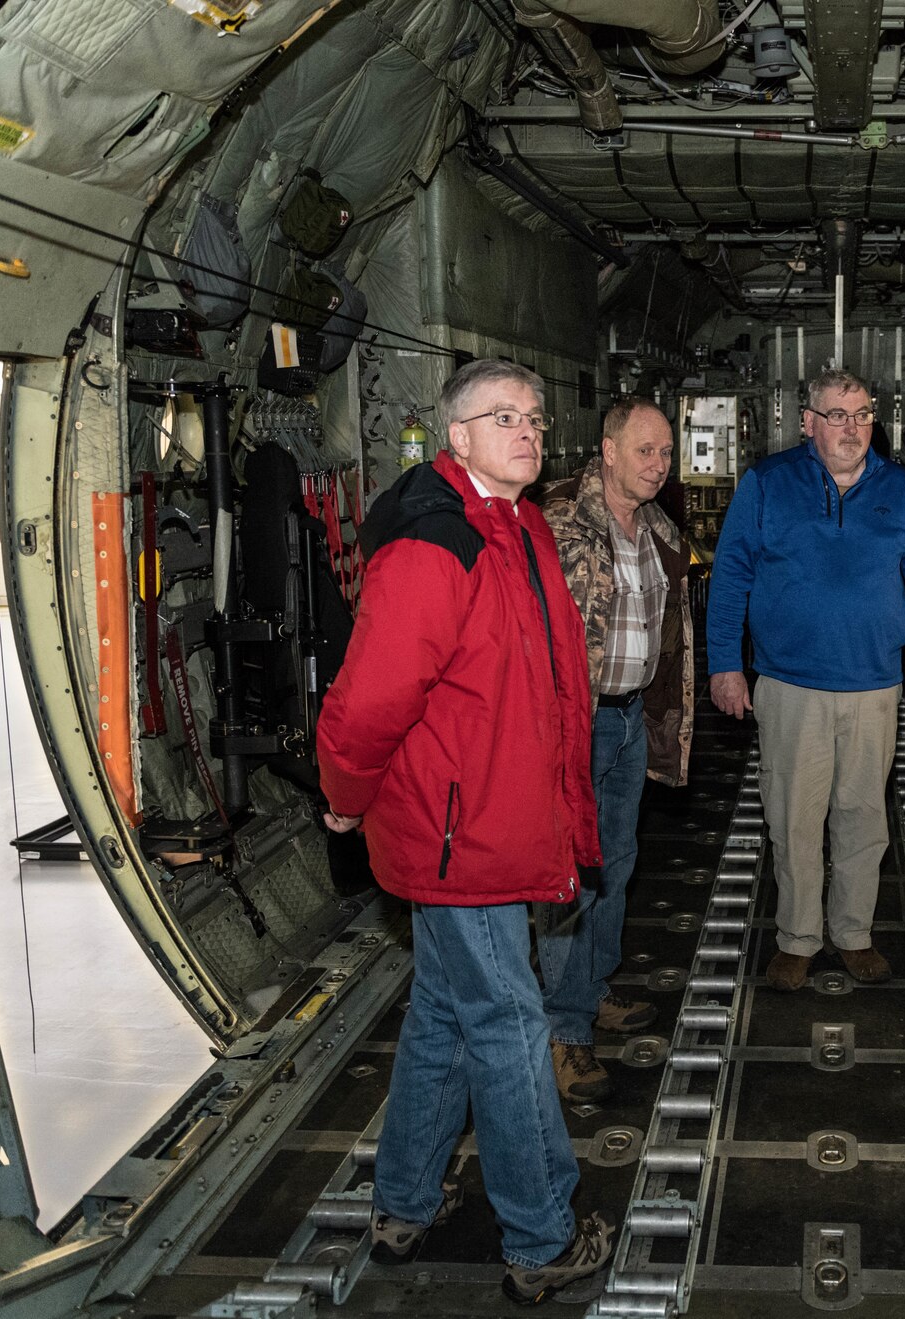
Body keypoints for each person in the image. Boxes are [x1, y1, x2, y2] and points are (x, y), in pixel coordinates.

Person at [316, 359, 615, 1303]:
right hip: (460, 834)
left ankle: (403, 1200)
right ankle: (539, 1236)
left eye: (534, 416)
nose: (527, 431)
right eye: (503, 417)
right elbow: (369, 701)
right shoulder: (436, 543)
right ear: (457, 438)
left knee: (446, 1012)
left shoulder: (515, 525)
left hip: (490, 818)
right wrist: (344, 794)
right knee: (510, 1021)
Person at [706, 368, 905, 991]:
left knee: (863, 817)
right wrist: (724, 665)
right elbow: (730, 576)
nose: (852, 427)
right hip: (789, 684)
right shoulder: (766, 484)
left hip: (874, 686)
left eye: (863, 414)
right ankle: (797, 937)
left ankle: (853, 933)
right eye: (837, 415)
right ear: (807, 422)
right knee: (792, 817)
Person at [539, 399, 694, 1103]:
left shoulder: (659, 527)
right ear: (607, 448)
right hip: (575, 724)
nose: (659, 465)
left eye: (666, 452)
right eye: (645, 451)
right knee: (571, 874)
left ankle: (592, 988)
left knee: (617, 862)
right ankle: (564, 1031)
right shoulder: (557, 519)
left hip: (629, 719)